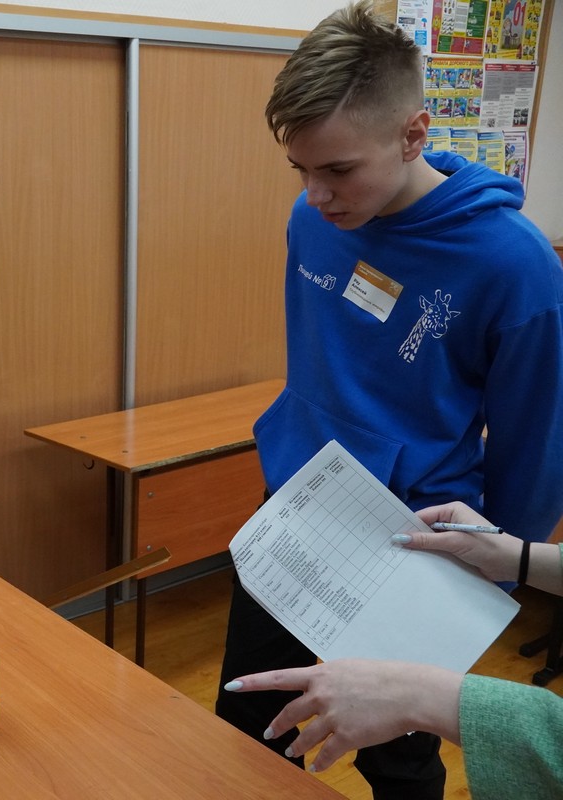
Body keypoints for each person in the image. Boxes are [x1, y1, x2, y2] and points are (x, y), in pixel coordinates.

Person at [214, 2, 563, 798]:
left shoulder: (515, 266)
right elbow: (322, 366)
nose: (316, 193)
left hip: (416, 539)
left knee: (396, 758)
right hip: (297, 508)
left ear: (412, 135)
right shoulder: (314, 219)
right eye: (300, 170)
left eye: (338, 170)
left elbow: (535, 446)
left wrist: (492, 579)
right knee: (249, 716)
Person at [225, 501, 563, 800]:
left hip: (418, 540)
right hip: (295, 525)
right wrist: (520, 558)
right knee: (250, 708)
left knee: (401, 757)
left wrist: (423, 696)